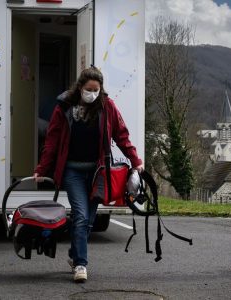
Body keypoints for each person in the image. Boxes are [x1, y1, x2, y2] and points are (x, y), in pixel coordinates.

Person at [33, 67, 144, 283]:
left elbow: (122, 134)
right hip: (72, 171)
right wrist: (42, 168)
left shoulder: (107, 106)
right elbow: (52, 140)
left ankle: (75, 254)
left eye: (97, 90)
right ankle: (80, 264)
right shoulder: (64, 106)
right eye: (88, 89)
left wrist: (135, 160)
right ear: (80, 87)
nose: (92, 93)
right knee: (82, 216)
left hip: (97, 172)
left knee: (89, 220)